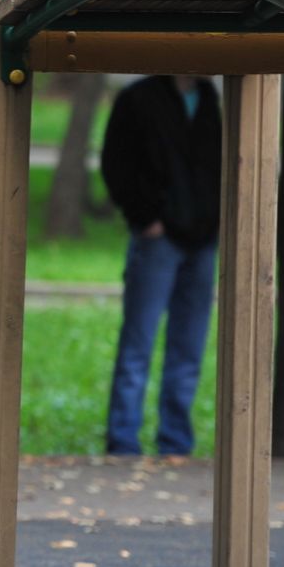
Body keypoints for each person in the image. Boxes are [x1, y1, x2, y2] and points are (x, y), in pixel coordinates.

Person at [99, 75, 222, 458]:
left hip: (202, 241)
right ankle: (123, 442)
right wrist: (145, 217)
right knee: (139, 342)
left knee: (189, 346)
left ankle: (175, 443)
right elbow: (115, 163)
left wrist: (215, 221)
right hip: (158, 238)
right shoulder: (138, 99)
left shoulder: (208, 98)